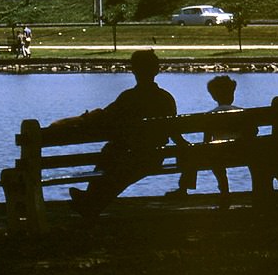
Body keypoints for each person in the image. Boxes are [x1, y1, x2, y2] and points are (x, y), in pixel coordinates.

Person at [63, 50, 178, 218]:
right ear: (156, 70)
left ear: (134, 70)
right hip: (155, 155)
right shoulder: (166, 98)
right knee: (116, 166)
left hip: (129, 155)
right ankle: (89, 202)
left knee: (111, 157)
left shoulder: (129, 98)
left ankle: (89, 201)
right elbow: (172, 129)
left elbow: (105, 118)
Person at [168, 75, 244, 198]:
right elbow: (253, 132)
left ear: (213, 96)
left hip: (218, 155)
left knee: (194, 154)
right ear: (232, 93)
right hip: (241, 152)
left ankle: (185, 188)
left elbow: (207, 141)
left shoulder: (210, 115)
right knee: (216, 155)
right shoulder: (243, 112)